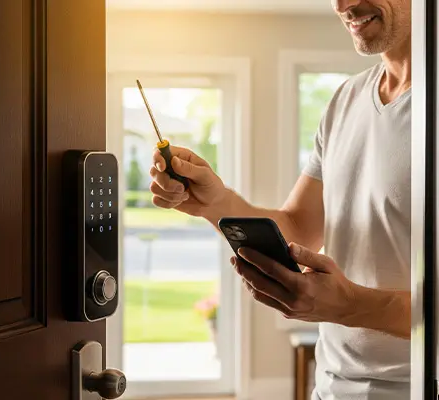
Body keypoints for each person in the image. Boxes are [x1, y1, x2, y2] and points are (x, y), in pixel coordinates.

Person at [149, 0, 411, 398]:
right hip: (331, 387)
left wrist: (351, 305)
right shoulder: (346, 101)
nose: (343, 5)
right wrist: (212, 202)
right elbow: (298, 229)